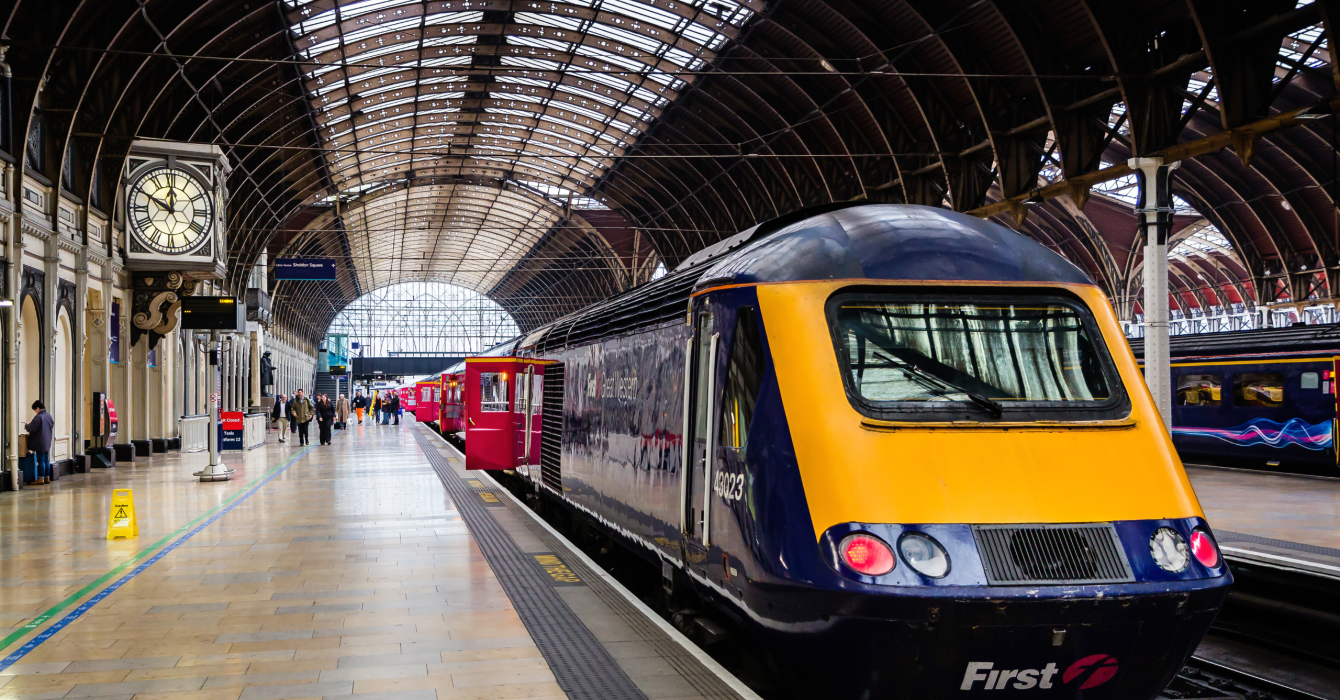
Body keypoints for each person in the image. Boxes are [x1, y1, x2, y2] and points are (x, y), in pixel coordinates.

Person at [24, 400, 54, 485]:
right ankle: (47, 477)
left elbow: (31, 428)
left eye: (34, 410)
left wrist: (27, 425)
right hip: (47, 441)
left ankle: (40, 478)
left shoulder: (38, 417)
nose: (35, 412)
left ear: (38, 408)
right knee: (46, 459)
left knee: (40, 460)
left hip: (40, 441)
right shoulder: (49, 416)